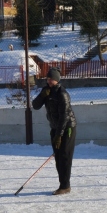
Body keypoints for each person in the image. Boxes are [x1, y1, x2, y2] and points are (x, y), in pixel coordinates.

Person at [32, 67, 77, 195]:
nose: (49, 81)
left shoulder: (62, 94)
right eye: (48, 78)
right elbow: (35, 106)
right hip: (55, 127)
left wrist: (59, 135)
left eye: (52, 79)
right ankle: (63, 184)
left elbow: (65, 116)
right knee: (58, 157)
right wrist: (42, 95)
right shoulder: (47, 92)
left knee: (64, 157)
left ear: (57, 80)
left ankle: (65, 186)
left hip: (67, 127)